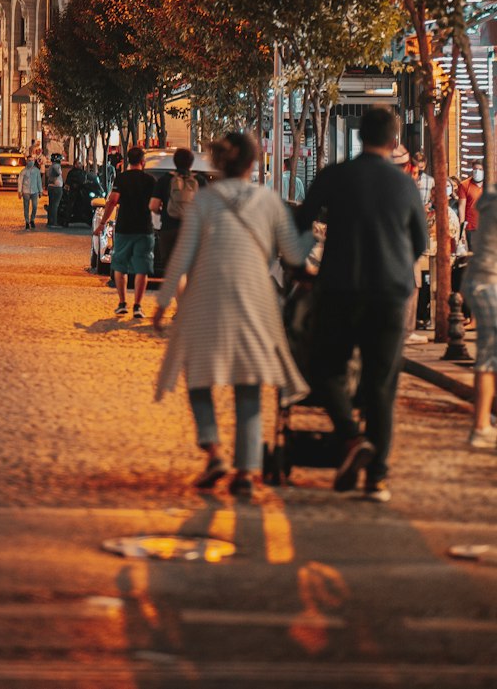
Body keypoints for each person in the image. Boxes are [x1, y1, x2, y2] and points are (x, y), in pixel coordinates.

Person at [152, 132, 312, 499]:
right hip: (255, 298)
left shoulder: (205, 201)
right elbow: (294, 254)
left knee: (197, 376)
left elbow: (183, 255)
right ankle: (246, 470)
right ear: (253, 163)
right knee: (249, 381)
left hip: (206, 296)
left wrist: (162, 304)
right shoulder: (268, 201)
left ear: (220, 164)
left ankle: (213, 451)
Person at [295, 107, 428, 503]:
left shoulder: (335, 176)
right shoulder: (405, 187)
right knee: (381, 383)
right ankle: (378, 478)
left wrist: (304, 265)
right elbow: (419, 243)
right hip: (389, 295)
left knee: (324, 368)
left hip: (339, 289)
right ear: (393, 142)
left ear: (358, 139)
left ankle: (352, 438)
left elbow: (300, 223)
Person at [94, 145, 161, 320]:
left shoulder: (121, 179)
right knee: (142, 269)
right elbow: (156, 205)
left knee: (120, 266)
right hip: (145, 229)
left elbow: (113, 200)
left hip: (124, 228)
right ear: (143, 161)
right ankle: (138, 306)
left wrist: (103, 223)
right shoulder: (150, 180)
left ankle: (122, 303)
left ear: (127, 161)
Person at [463, 182, 497, 449]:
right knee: (489, 356)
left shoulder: (490, 198)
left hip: (482, 281)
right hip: (490, 284)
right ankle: (481, 427)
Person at [458, 162, 485, 252]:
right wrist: (461, 230)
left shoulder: (490, 185)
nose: (477, 171)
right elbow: (462, 207)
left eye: (480, 169)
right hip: (471, 227)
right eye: (475, 169)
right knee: (473, 255)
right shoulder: (464, 185)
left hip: (487, 226)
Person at [18, 155, 42, 228]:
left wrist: (40, 190)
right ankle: (27, 222)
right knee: (26, 207)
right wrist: (19, 191)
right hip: (26, 191)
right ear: (27, 161)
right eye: (29, 160)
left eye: (32, 160)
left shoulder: (37, 171)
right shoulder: (23, 171)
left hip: (35, 191)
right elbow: (20, 181)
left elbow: (39, 181)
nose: (31, 162)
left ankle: (32, 219)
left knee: (35, 206)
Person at [45, 153, 64, 228]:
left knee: (51, 205)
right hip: (56, 187)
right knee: (55, 205)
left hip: (51, 187)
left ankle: (50, 221)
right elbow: (57, 173)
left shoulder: (51, 166)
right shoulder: (56, 166)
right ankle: (54, 222)